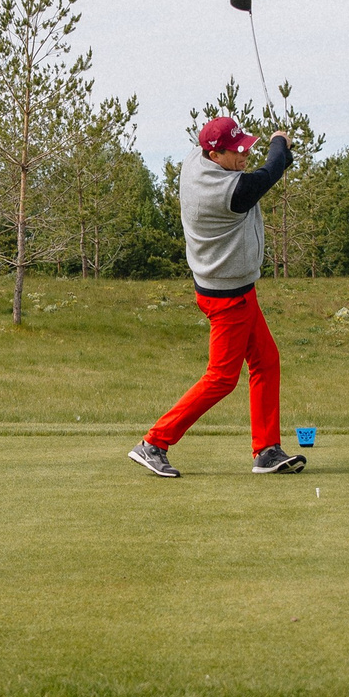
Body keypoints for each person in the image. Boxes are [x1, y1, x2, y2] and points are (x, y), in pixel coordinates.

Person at [129, 113, 307, 477]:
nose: (244, 155)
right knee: (222, 378)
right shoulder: (228, 193)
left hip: (231, 288)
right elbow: (267, 175)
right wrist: (279, 143)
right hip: (228, 297)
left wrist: (280, 156)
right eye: (236, 151)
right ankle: (154, 442)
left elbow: (267, 170)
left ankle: (267, 451)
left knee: (266, 361)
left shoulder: (195, 159)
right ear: (214, 156)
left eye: (245, 147)